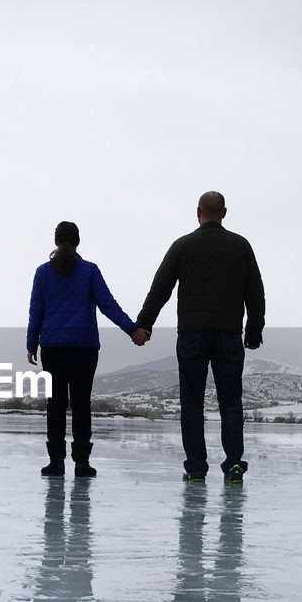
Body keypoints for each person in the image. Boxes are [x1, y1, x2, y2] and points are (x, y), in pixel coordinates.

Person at [133, 191, 265, 484]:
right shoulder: (241, 246)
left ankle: (195, 468)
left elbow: (161, 288)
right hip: (229, 335)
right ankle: (233, 466)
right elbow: (255, 292)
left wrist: (144, 325)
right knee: (231, 403)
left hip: (192, 334)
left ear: (198, 212)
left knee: (191, 403)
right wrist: (254, 330)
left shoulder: (183, 246)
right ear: (225, 213)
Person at [27, 221, 145, 477]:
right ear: (77, 241)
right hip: (84, 347)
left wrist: (31, 343)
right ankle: (82, 463)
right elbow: (108, 305)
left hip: (53, 347)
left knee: (55, 404)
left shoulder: (43, 273)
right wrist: (132, 329)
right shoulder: (89, 271)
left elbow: (36, 311)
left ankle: (56, 462)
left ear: (56, 241)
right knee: (81, 404)